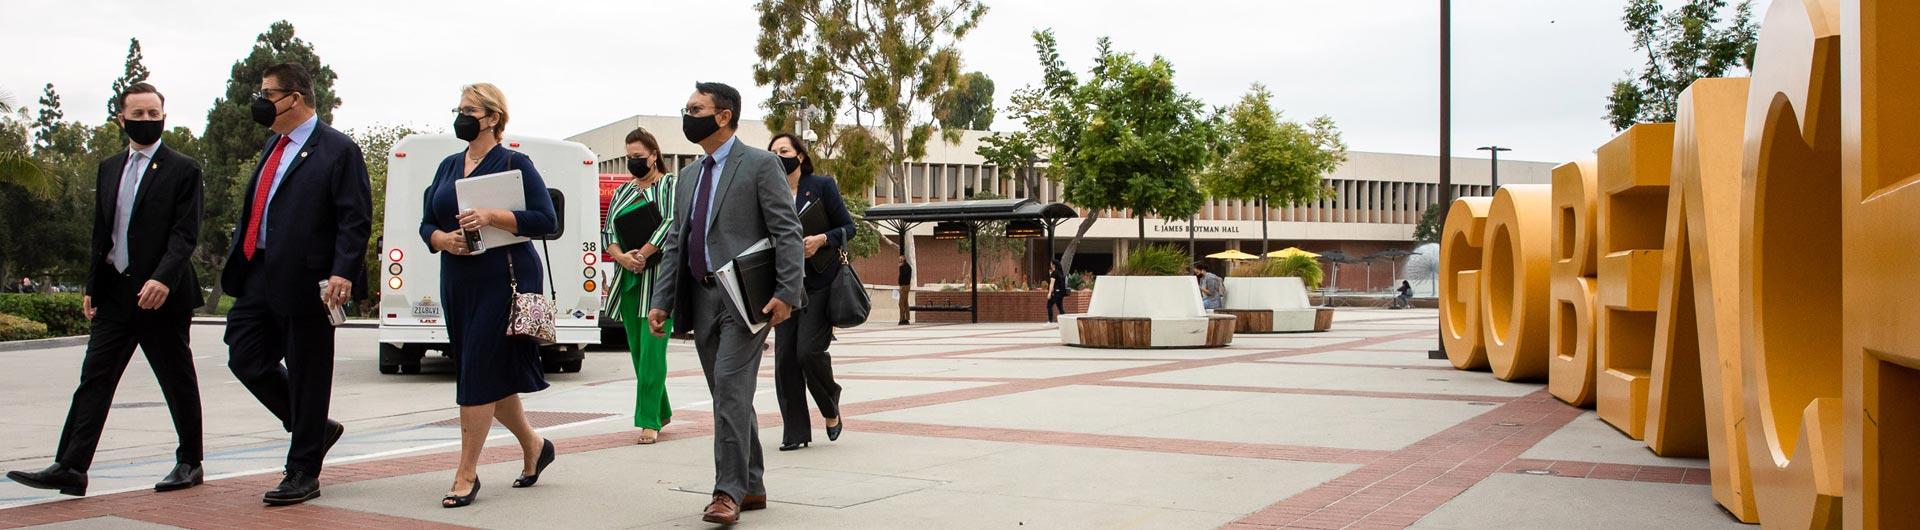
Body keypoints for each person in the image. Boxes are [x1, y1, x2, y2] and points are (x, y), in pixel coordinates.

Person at [7, 83, 206, 497]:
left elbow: (185, 234)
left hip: (161, 297)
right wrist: (92, 285)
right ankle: (71, 466)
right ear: (121, 117)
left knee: (176, 379)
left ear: (164, 117)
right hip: (115, 293)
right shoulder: (108, 167)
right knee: (94, 379)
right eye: (140, 114)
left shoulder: (183, 168)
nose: (148, 121)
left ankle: (190, 462)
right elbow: (104, 232)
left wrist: (162, 278)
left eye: (155, 114)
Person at [647, 82, 804, 525]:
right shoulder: (690, 176)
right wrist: (662, 300)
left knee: (731, 393)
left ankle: (727, 492)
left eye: (695, 108)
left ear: (722, 116)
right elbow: (677, 240)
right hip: (700, 298)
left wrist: (786, 293)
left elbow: (787, 231)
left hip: (746, 301)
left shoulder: (759, 164)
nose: (687, 114)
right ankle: (752, 484)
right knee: (727, 395)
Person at [219, 63, 369, 506]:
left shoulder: (338, 150)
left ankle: (303, 470)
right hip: (260, 270)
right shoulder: (273, 145)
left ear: (296, 98)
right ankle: (314, 428)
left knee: (308, 372)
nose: (261, 101)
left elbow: (354, 217)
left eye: (268, 93)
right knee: (244, 355)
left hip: (312, 279)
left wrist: (343, 271)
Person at [419, 83, 559, 508]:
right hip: (458, 280)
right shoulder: (447, 166)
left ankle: (466, 474)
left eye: (469, 110)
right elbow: (427, 222)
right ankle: (534, 445)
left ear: (493, 117)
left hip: (506, 277)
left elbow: (546, 219)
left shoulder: (516, 162)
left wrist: (494, 215)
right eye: (458, 109)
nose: (461, 116)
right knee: (486, 373)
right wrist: (442, 239)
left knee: (477, 372)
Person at [769, 133, 851, 452]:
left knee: (807, 352)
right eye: (773, 152)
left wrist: (822, 240)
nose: (779, 156)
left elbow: (848, 227)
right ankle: (795, 432)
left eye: (784, 150)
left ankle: (830, 405)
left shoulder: (821, 186)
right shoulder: (767, 192)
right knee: (785, 360)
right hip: (784, 286)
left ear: (800, 156)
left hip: (819, 284)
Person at [604, 126, 677, 445]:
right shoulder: (622, 191)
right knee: (637, 352)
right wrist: (623, 258)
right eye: (629, 156)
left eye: (638, 157)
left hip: (660, 279)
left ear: (654, 155)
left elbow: (672, 222)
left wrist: (645, 253)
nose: (634, 161)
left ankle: (648, 421)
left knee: (653, 352)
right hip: (629, 280)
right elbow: (609, 234)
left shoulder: (669, 185)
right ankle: (661, 410)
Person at [897, 255, 913, 325]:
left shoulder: (905, 267)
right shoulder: (905, 267)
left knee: (901, 303)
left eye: (901, 259)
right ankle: (906, 319)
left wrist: (901, 287)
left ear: (904, 259)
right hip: (905, 286)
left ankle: (902, 319)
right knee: (905, 303)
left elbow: (903, 277)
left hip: (904, 287)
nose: (899, 260)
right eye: (899, 259)